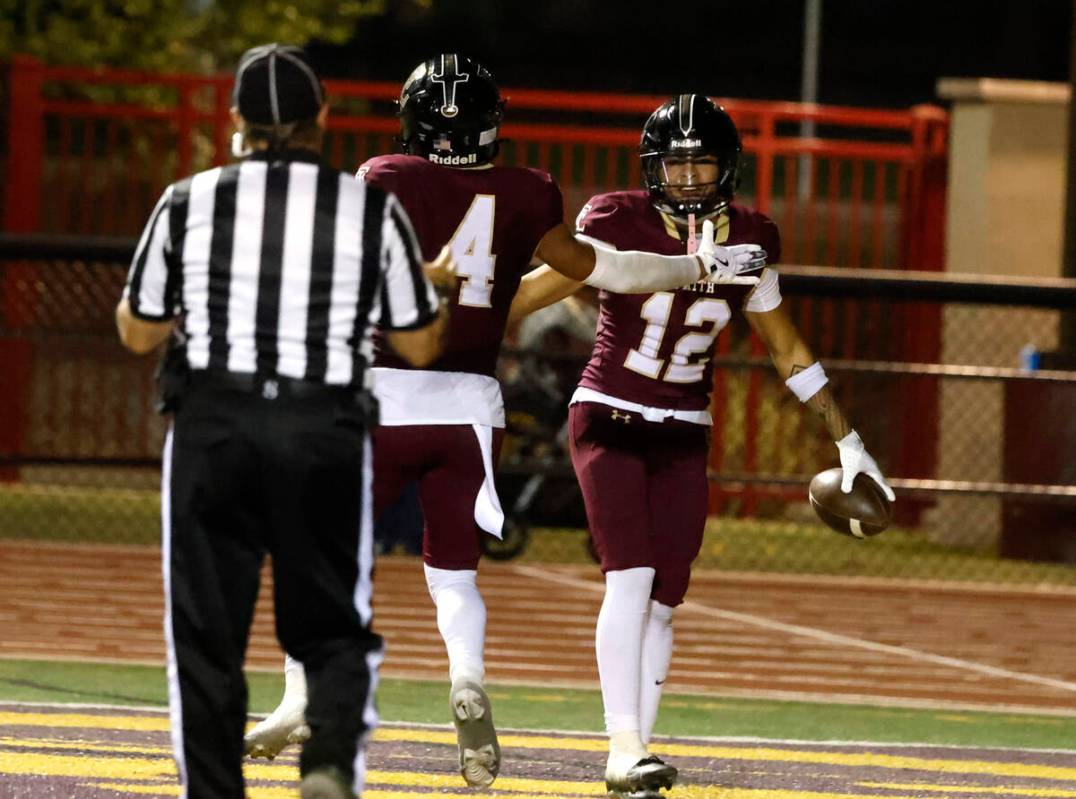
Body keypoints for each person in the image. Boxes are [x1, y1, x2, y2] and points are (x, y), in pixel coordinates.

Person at [243, 56, 769, 789]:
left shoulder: (385, 177)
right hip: (469, 406)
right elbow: (606, 269)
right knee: (454, 571)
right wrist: (694, 269)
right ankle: (467, 673)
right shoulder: (529, 191)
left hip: (382, 393)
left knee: (325, 554)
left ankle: (300, 697)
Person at [508, 94, 896, 798]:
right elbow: (542, 289)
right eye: (676, 164)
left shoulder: (753, 237)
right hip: (611, 412)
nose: (688, 179)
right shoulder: (616, 217)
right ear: (652, 167)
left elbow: (786, 347)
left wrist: (850, 439)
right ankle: (621, 746)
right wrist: (459, 324)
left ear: (729, 166)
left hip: (685, 427)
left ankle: (641, 754)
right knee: (628, 575)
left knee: (665, 596)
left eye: (702, 163)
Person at [116, 43, 448, 799]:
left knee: (205, 636)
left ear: (236, 119)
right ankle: (329, 755)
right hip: (321, 421)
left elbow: (138, 330)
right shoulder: (370, 207)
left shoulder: (187, 201)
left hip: (215, 424)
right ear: (320, 119)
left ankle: (214, 791)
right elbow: (421, 342)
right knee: (333, 619)